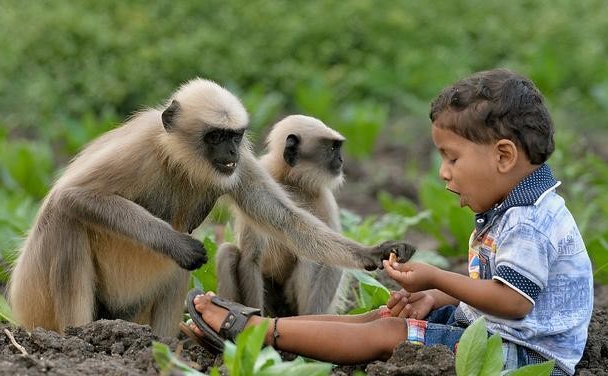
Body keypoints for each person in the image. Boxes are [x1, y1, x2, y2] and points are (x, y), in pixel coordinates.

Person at [187, 68, 593, 375]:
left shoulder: (528, 222)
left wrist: (436, 279)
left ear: (504, 157)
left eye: (452, 159)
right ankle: (267, 326)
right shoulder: (513, 209)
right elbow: (504, 291)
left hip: (523, 357)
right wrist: (439, 299)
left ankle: (256, 333)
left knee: (389, 336)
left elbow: (514, 302)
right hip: (494, 331)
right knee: (383, 317)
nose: (444, 173)